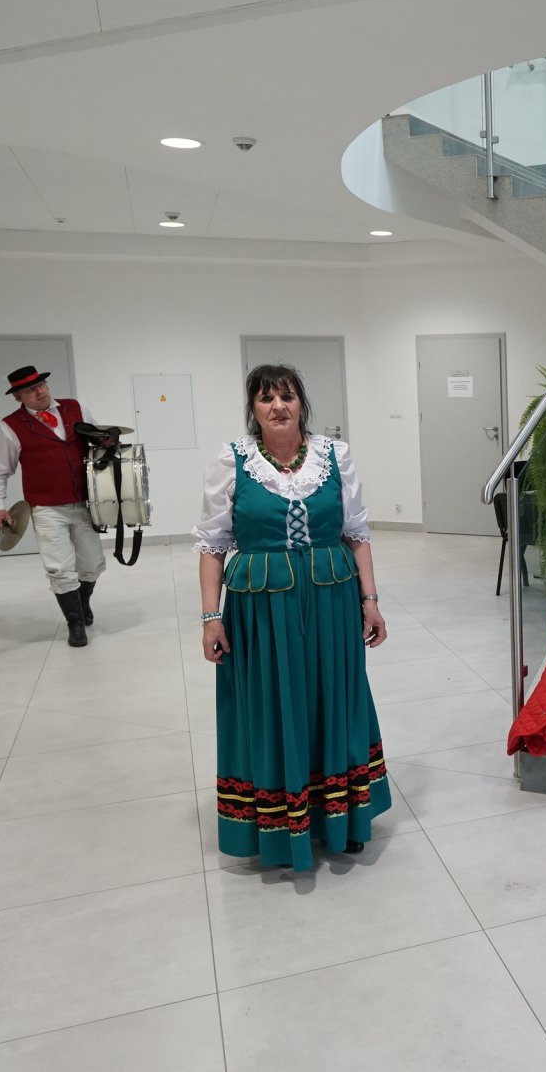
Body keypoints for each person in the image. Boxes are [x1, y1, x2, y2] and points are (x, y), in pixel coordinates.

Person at [192, 364, 392, 866]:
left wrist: (370, 601)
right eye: (266, 398)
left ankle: (341, 817)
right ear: (253, 408)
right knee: (270, 703)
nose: (278, 406)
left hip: (332, 597)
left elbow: (357, 533)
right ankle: (279, 827)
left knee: (333, 697)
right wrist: (211, 617)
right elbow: (212, 546)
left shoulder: (334, 455)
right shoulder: (231, 460)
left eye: (287, 396)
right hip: (261, 606)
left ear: (302, 403)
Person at [0, 366, 105, 647]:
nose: (39, 392)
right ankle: (75, 623)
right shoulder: (11, 426)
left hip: (85, 501)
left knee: (92, 563)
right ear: (18, 397)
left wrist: (107, 442)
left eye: (41, 385)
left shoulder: (76, 408)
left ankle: (82, 602)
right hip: (46, 507)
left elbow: (98, 441)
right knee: (59, 567)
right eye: (30, 390)